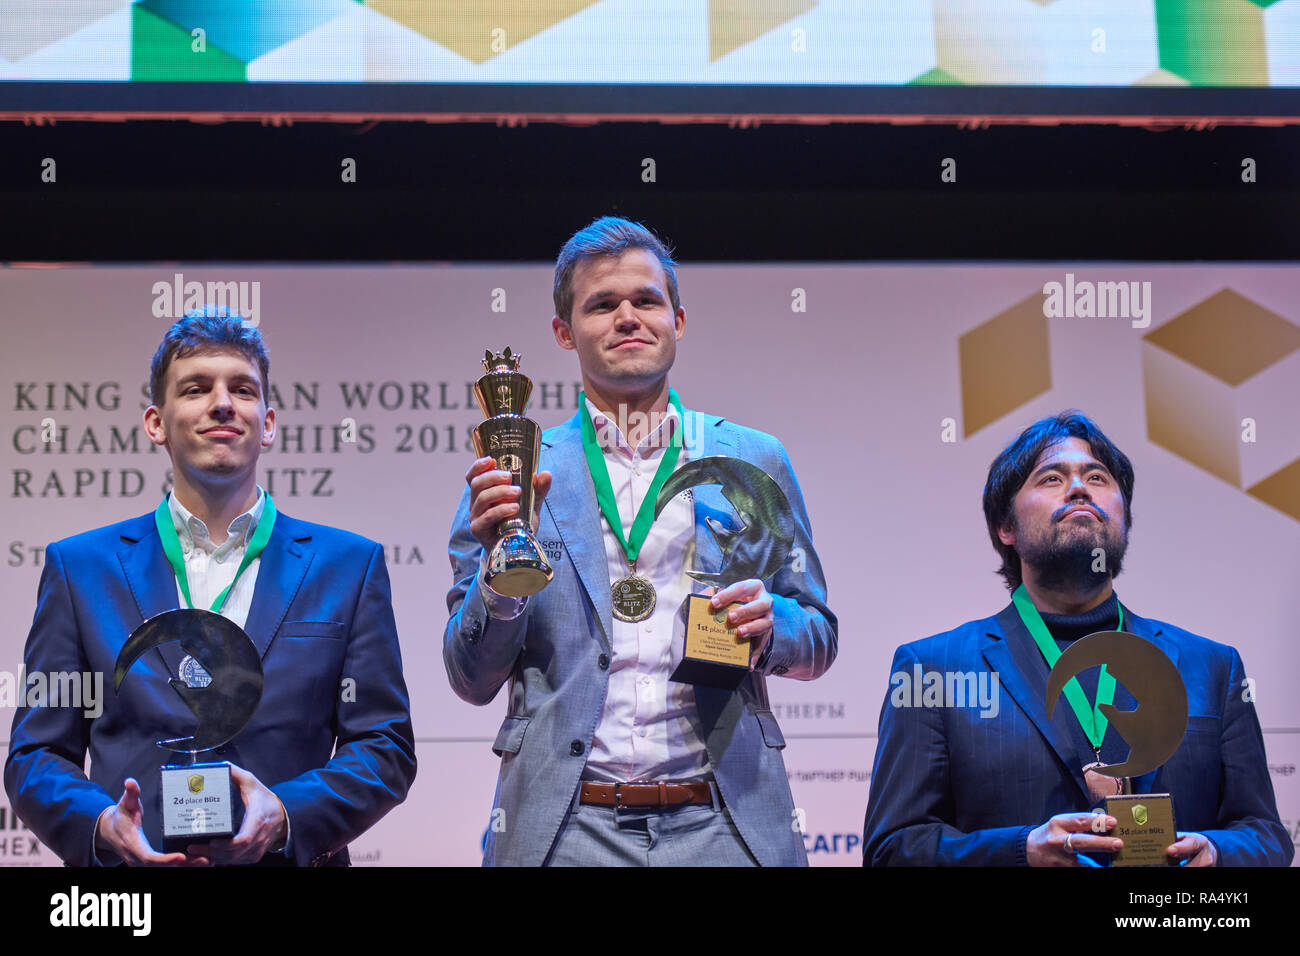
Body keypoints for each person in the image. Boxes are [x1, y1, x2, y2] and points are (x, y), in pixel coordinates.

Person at [444, 217, 837, 866]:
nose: (628, 316)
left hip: (725, 823)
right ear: (564, 333)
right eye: (603, 304)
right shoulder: (514, 467)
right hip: (566, 828)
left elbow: (819, 638)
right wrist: (499, 580)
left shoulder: (755, 459)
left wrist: (773, 628)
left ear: (677, 321)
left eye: (646, 300)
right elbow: (470, 677)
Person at [5, 310, 416, 866]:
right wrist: (102, 823)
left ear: (267, 423)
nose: (222, 403)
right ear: (155, 422)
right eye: (196, 389)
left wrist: (287, 813)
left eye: (241, 389)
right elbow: (36, 754)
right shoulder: (80, 569)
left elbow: (384, 747)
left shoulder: (348, 565)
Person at [863, 411, 1292, 867]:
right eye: (1051, 477)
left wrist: (1216, 852)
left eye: (1097, 476)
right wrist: (1020, 852)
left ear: (1124, 519)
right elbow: (892, 849)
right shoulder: (933, 668)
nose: (1079, 487)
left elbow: (1265, 836)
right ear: (1005, 528)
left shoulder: (1213, 666)